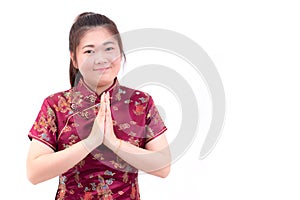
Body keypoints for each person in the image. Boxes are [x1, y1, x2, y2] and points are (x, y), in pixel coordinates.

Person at [26, 12, 171, 200]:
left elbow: (163, 167)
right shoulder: (56, 105)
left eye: (109, 49)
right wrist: (90, 142)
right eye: (89, 51)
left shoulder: (140, 103)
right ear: (74, 59)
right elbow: (34, 173)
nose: (101, 58)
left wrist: (114, 143)